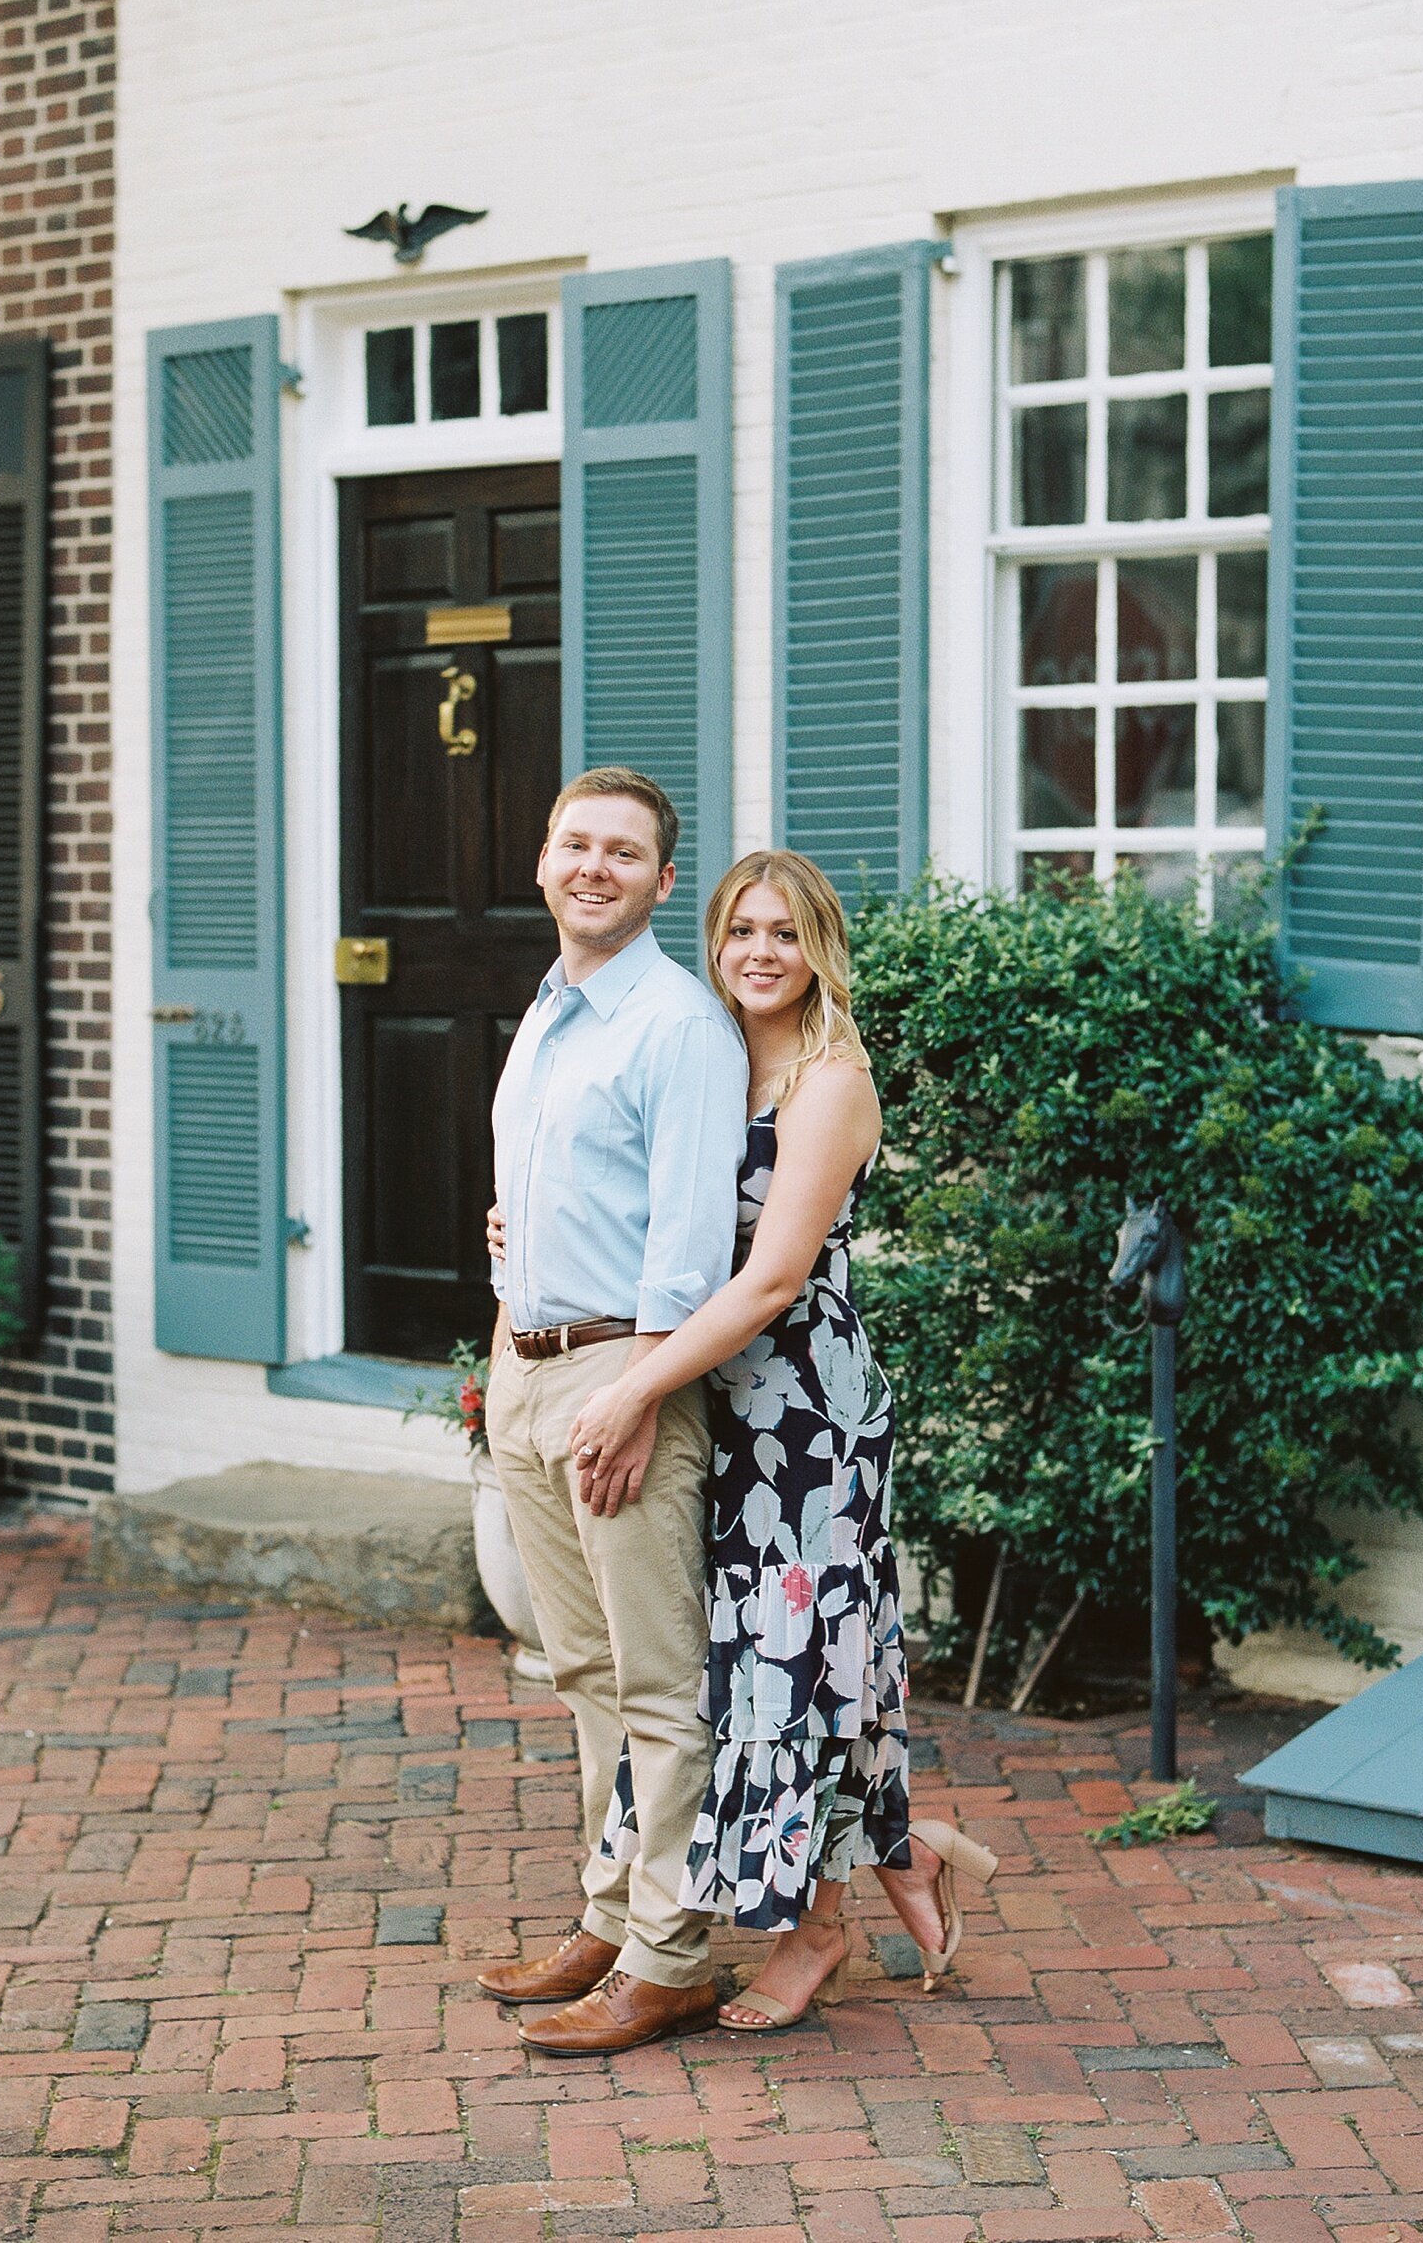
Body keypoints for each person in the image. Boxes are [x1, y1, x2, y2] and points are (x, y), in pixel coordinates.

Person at [566, 851, 998, 2031]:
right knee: (739, 1659)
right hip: (710, 1389)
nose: (761, 951)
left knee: (790, 1664)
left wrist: (633, 1387)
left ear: (821, 951)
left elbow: (767, 1284)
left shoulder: (829, 1080)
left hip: (804, 1407)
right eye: (740, 929)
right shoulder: (709, 1051)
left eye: (787, 933)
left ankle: (819, 1931)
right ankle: (904, 1847)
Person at [474, 767, 748, 2056]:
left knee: (654, 1679)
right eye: (575, 843)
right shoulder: (550, 1010)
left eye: (623, 852)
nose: (596, 866)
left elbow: (690, 1244)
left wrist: (638, 1396)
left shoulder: (677, 1023)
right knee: (582, 1670)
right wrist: (503, 1310)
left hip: (619, 1376)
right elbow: (548, 1194)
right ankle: (609, 1912)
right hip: (528, 1365)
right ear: (543, 859)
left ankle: (672, 1954)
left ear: (658, 879)